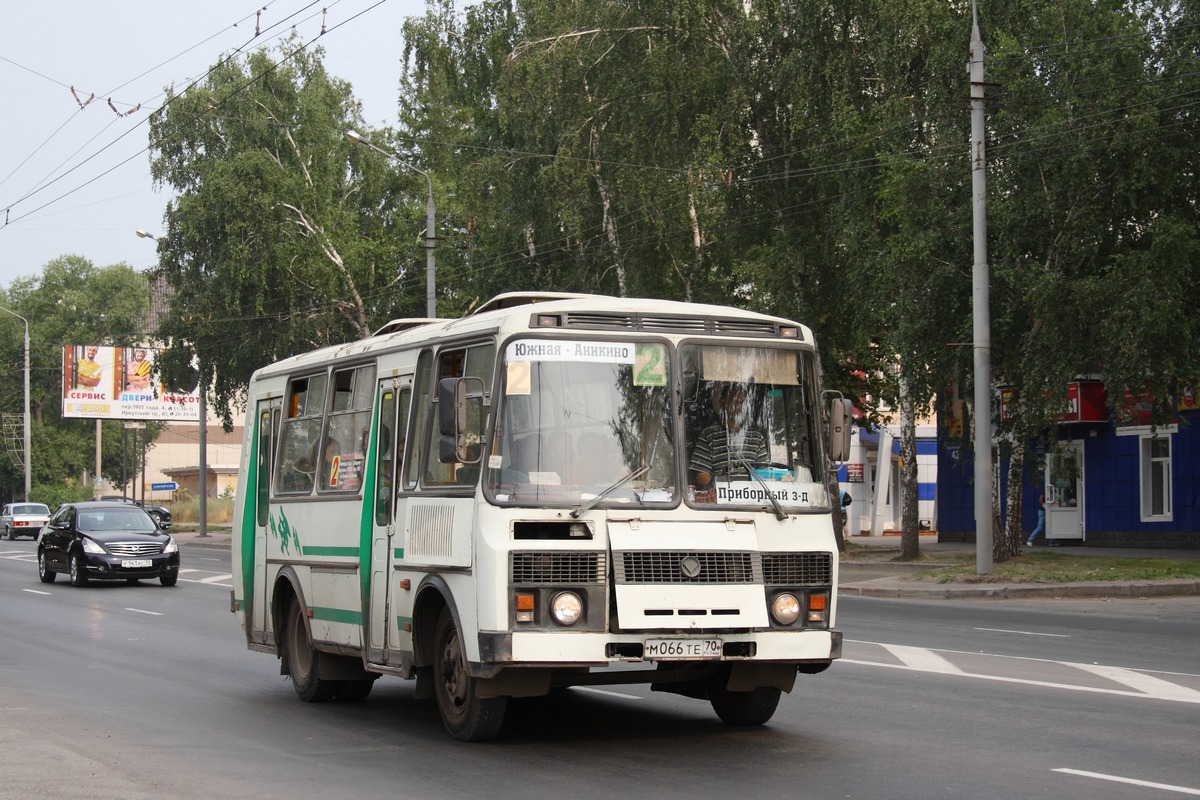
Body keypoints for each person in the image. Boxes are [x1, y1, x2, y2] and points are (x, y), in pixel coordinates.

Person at [689, 384, 769, 501]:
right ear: (722, 404)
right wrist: (720, 493)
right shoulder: (709, 435)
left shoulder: (756, 437)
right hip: (721, 499)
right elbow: (701, 474)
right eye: (735, 403)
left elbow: (764, 473)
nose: (739, 408)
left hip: (753, 499)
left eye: (742, 403)